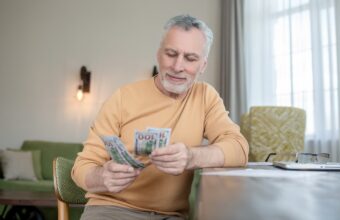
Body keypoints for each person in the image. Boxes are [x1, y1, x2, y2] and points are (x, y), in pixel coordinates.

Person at [72, 14, 249, 220]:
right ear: (158, 54)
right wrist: (102, 177)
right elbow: (81, 168)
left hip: (170, 216)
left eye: (190, 58)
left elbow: (239, 148)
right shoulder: (123, 98)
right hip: (112, 209)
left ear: (203, 65)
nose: (177, 66)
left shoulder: (205, 97)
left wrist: (192, 157)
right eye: (171, 54)